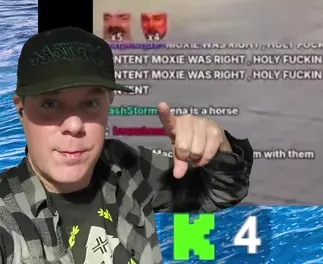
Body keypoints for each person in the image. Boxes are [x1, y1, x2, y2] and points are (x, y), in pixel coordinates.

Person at [0, 28, 252, 264]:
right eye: (50, 104)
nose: (74, 125)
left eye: (90, 103)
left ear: (109, 102)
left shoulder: (125, 165)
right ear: (21, 108)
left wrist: (217, 146)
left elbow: (221, 195)